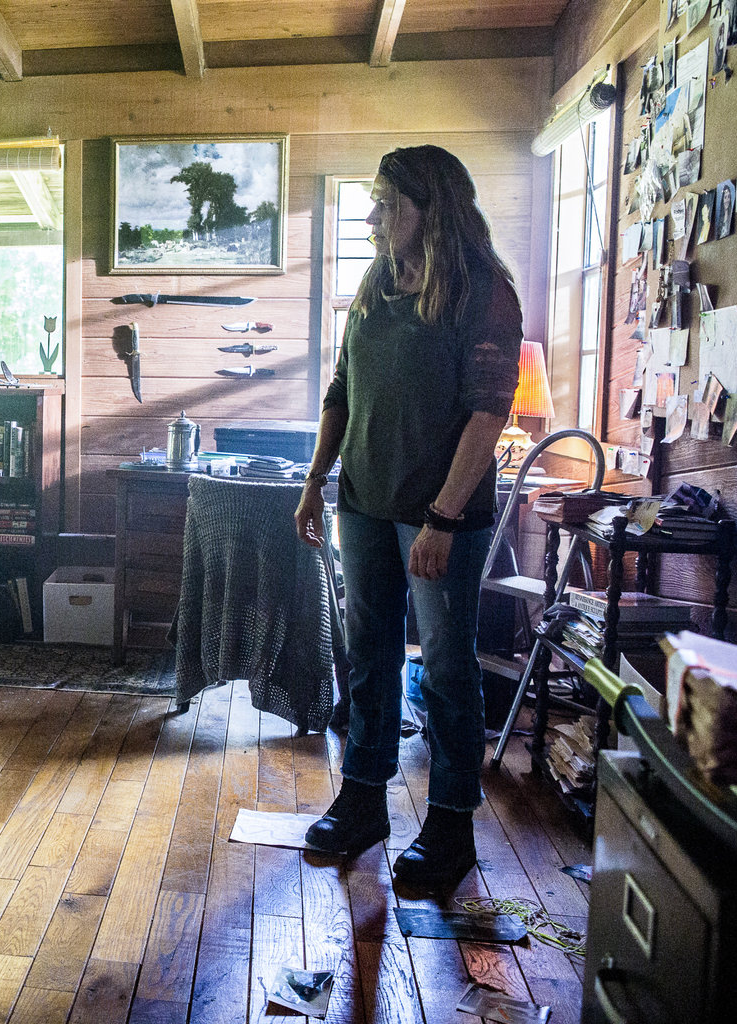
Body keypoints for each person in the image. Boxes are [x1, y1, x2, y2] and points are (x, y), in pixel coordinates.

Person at [293, 146, 522, 891]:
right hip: (362, 503)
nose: (372, 217)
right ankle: (364, 798)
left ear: (431, 208)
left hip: (438, 518)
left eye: (387, 203)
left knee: (448, 668)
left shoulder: (483, 293)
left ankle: (451, 823)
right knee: (370, 655)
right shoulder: (376, 282)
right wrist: (316, 480)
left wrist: (442, 519)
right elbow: (341, 390)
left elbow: (489, 413)